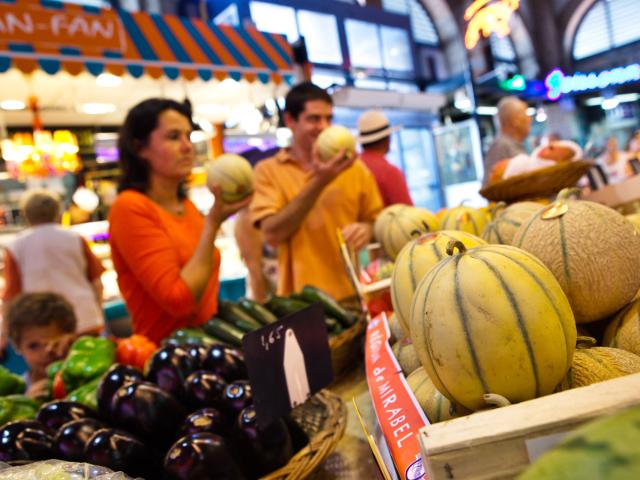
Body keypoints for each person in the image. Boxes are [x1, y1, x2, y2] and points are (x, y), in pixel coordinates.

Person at [108, 98, 249, 343]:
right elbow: (179, 301)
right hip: (168, 359)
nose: (187, 147)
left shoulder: (187, 206)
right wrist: (213, 225)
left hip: (208, 345)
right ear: (140, 148)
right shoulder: (130, 208)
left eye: (188, 136)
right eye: (173, 137)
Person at [249, 82, 383, 301]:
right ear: (290, 121)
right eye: (313, 119)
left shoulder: (354, 168)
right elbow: (272, 234)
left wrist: (367, 229)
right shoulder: (268, 171)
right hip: (300, 303)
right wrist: (320, 181)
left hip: (353, 294)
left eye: (329, 119)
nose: (323, 126)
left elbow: (377, 223)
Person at [2, 189, 105, 339]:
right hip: (85, 320)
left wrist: (5, 333)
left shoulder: (15, 246)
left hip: (42, 330)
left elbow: (10, 296)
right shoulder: (75, 238)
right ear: (57, 212)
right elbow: (97, 283)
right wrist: (98, 311)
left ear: (27, 214)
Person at [6, 293, 76, 399]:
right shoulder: (18, 390)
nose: (46, 352)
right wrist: (27, 402)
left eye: (54, 343)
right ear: (18, 347)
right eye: (33, 346)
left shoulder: (80, 373)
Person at [357, 110, 413, 207]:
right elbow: (408, 215)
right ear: (387, 139)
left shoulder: (352, 169)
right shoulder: (390, 173)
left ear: (362, 143)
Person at [483, 96, 532, 185]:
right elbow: (489, 188)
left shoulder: (511, 145)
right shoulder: (500, 147)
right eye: (526, 114)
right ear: (515, 121)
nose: (530, 119)